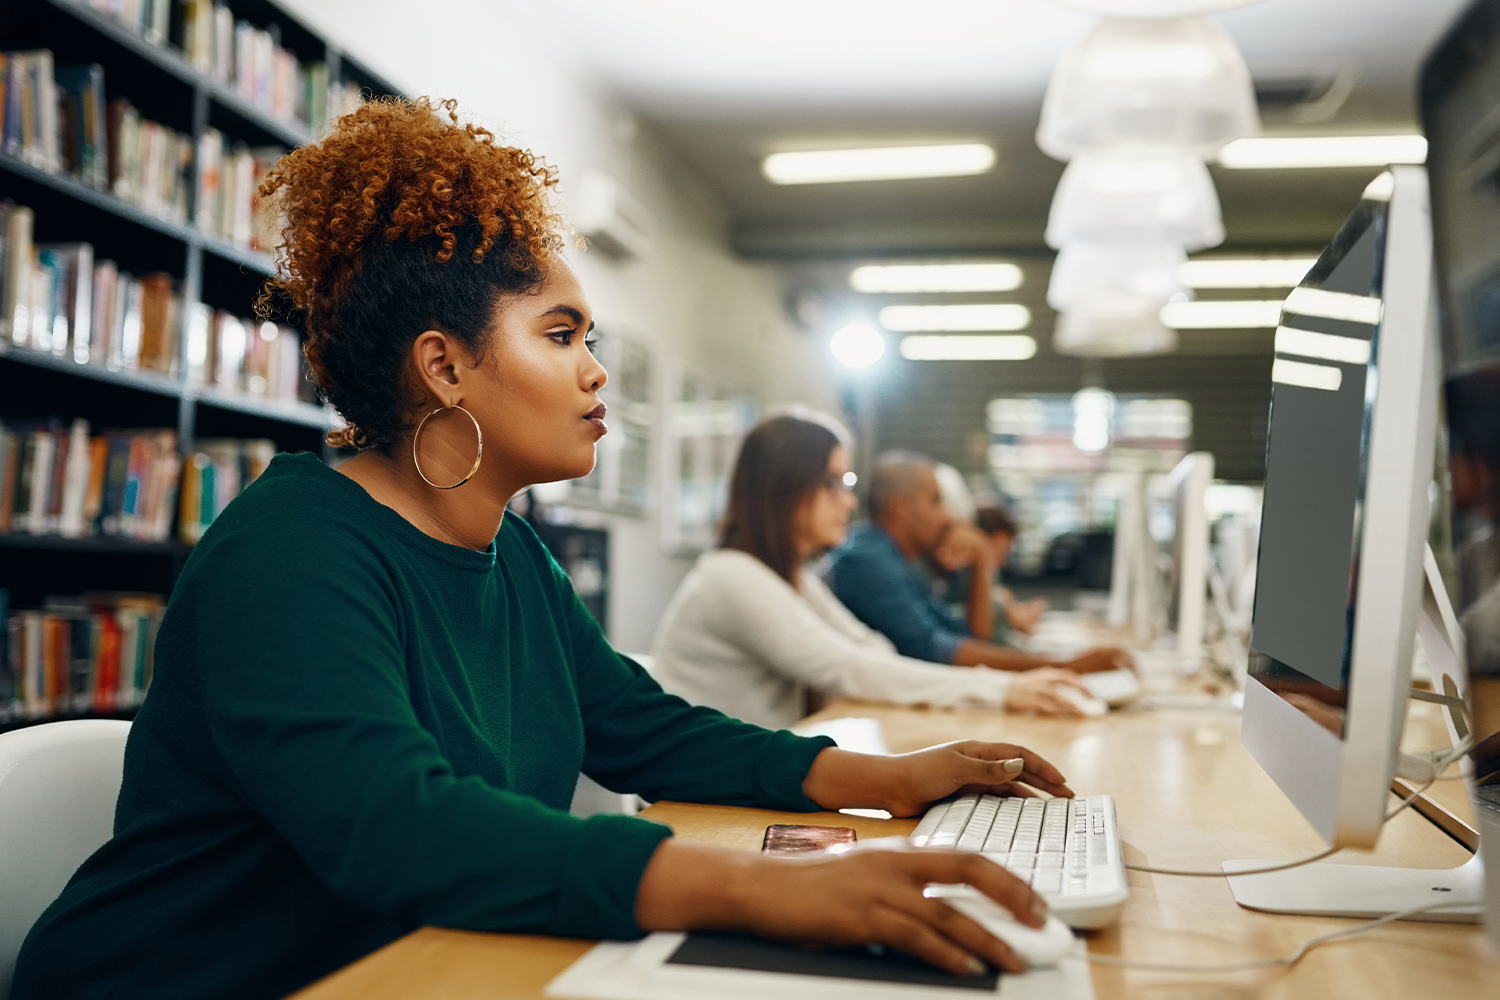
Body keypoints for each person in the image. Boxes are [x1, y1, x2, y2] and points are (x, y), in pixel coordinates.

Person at [10, 99, 1074, 999]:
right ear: (445, 366)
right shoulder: (288, 552)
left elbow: (645, 732)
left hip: (410, 963)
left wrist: (886, 779)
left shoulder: (510, 556)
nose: (596, 370)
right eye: (562, 334)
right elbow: (400, 828)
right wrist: (762, 886)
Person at [652, 411, 1093, 727]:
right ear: (784, 488)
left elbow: (869, 648)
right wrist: (1001, 690)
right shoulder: (731, 577)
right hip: (694, 806)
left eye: (848, 484)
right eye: (832, 484)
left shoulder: (787, 575)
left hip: (747, 776)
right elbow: (848, 667)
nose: (848, 501)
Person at [826, 451, 1127, 674]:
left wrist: (983, 557)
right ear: (899, 509)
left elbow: (967, 636)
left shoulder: (895, 558)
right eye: (935, 501)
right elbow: (938, 652)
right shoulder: (867, 559)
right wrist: (1066, 665)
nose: (947, 516)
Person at [973, 504, 1047, 641]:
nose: (1002, 563)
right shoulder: (960, 573)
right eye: (1000, 554)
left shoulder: (991, 573)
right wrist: (1004, 605)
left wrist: (1020, 611)